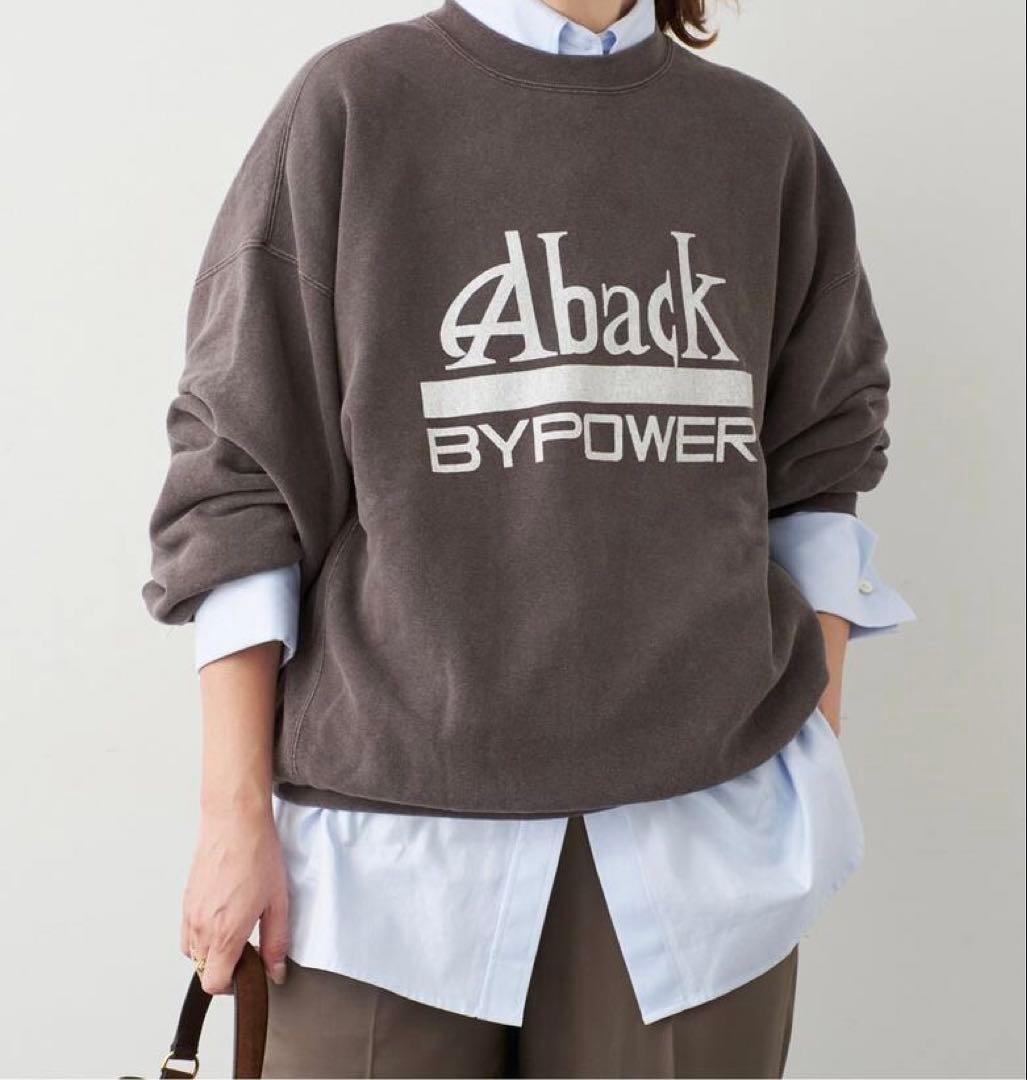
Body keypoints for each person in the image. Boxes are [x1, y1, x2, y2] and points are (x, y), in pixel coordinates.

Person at [143, 0, 915, 1075]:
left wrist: (813, 743)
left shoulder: (760, 142)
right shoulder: (355, 106)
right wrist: (232, 816)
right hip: (383, 861)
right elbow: (240, 472)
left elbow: (819, 467)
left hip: (702, 850)